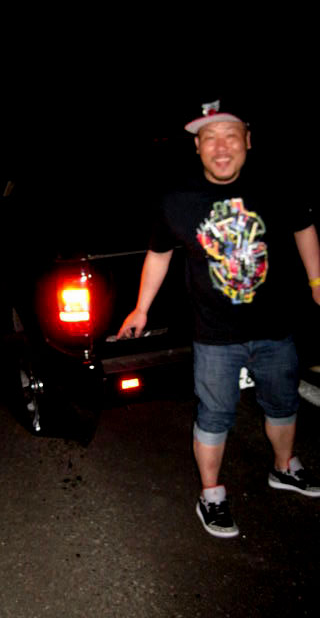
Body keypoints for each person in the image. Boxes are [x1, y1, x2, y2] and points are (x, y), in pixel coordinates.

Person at [117, 97, 320, 538]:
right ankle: (211, 494)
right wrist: (141, 308)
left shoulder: (276, 183)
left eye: (231, 135)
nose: (221, 147)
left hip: (276, 327)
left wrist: (317, 281)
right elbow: (159, 254)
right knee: (214, 415)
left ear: (248, 139)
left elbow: (303, 226)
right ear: (197, 146)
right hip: (214, 335)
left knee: (283, 403)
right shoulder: (177, 199)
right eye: (210, 137)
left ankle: (284, 467)